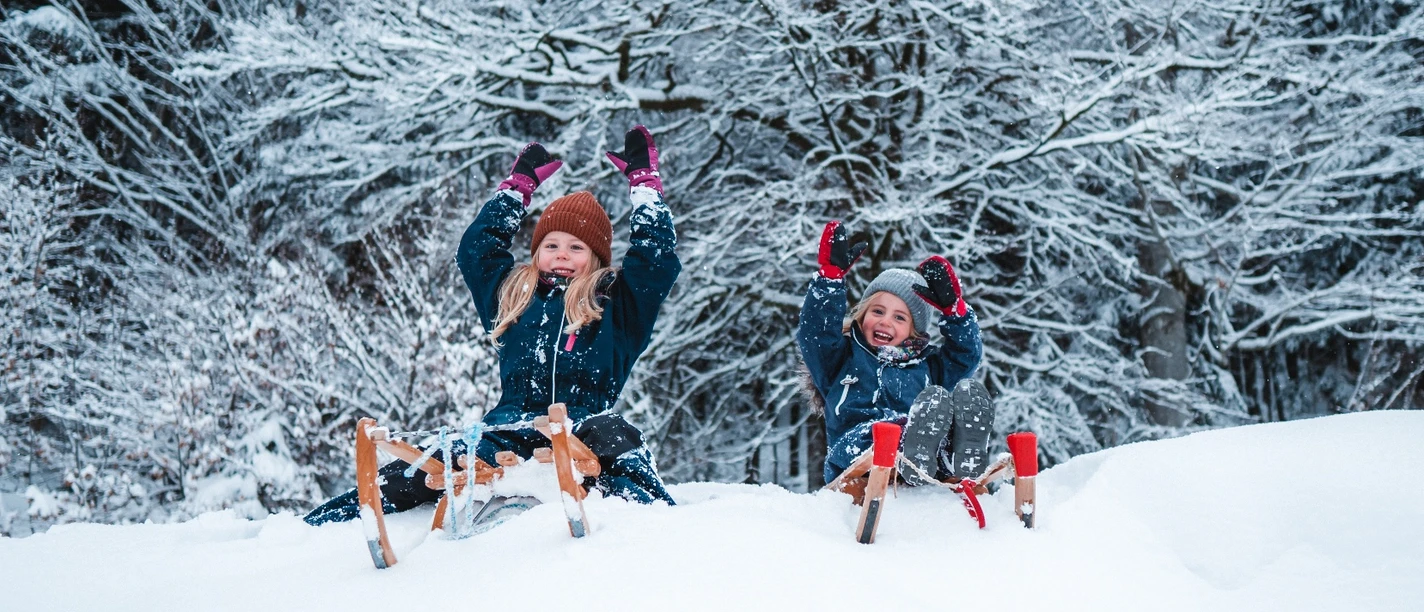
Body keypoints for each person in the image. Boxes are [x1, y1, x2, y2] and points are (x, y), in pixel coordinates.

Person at [305, 126, 679, 526]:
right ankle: (324, 527)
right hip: (509, 426)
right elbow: (476, 251)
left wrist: (644, 185)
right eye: (551, 246)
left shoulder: (614, 305)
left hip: (581, 425)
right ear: (537, 253)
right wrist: (517, 188)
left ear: (596, 258)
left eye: (576, 248)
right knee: (430, 461)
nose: (561, 256)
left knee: (617, 436)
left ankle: (653, 527)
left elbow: (655, 261)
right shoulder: (516, 297)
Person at [797, 221, 992, 487]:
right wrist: (830, 279)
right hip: (857, 454)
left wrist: (955, 313)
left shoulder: (928, 366)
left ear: (914, 332)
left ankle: (956, 453)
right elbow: (816, 332)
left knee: (937, 409)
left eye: (899, 317)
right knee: (885, 430)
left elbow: (965, 355)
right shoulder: (839, 359)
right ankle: (916, 444)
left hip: (921, 452)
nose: (885, 322)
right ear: (862, 314)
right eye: (877, 311)